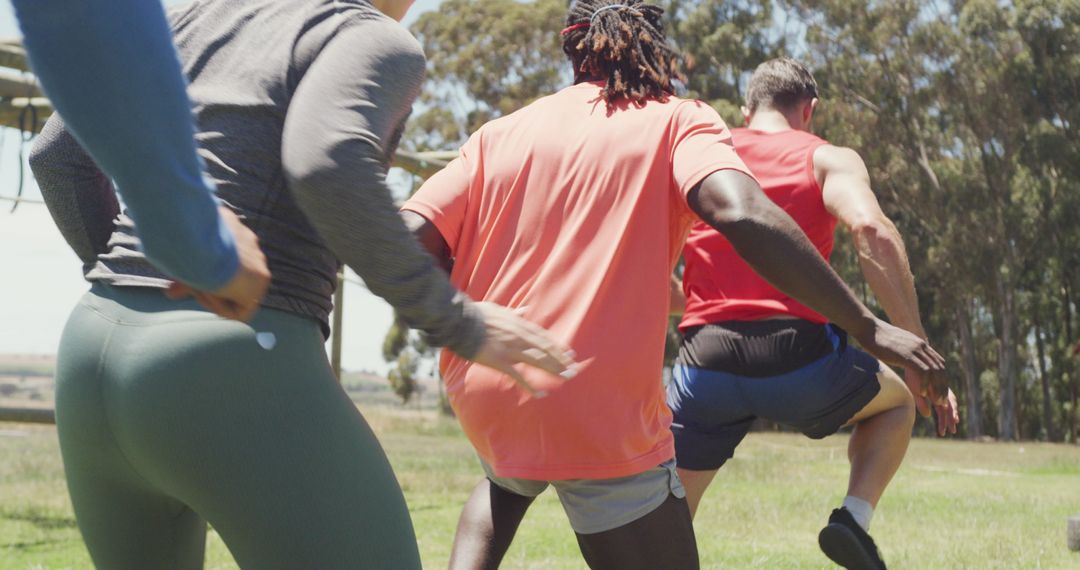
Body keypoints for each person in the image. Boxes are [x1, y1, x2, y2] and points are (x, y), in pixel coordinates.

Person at [29, 0, 576, 567]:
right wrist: (458, 321)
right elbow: (327, 163)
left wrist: (143, 282)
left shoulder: (187, 15)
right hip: (233, 358)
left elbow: (55, 153)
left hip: (92, 352)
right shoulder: (368, 36)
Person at [401, 4, 945, 569]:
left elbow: (407, 238)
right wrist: (868, 326)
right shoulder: (677, 119)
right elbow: (743, 212)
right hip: (594, 404)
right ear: (653, 47)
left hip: (491, 384)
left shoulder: (499, 134)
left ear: (570, 47)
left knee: (503, 478)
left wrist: (467, 323)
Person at [667, 57, 959, 570]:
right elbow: (873, 232)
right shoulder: (827, 158)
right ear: (810, 109)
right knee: (896, 406)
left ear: (746, 107)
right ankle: (852, 520)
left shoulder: (704, 153)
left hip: (702, 362)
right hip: (798, 362)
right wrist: (914, 350)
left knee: (662, 535)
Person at [13, 0, 270, 319]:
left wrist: (116, 264)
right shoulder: (335, 26)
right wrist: (203, 250)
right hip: (242, 314)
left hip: (104, 313)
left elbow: (54, 155)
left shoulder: (175, 22)